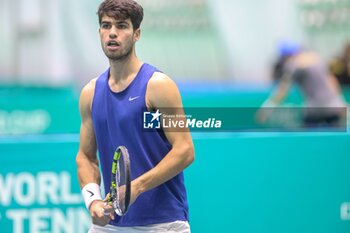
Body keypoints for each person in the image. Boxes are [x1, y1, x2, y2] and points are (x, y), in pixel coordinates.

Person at [75, 0, 195, 232]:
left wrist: (135, 188)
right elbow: (86, 156)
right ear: (99, 31)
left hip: (163, 222)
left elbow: (185, 150)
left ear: (136, 33)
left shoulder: (158, 86)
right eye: (106, 25)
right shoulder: (90, 93)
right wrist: (93, 200)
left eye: (121, 26)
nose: (112, 33)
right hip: (110, 225)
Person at [258, 41, 347, 128]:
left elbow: (283, 90)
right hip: (334, 107)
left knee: (307, 140)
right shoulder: (316, 59)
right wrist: (341, 102)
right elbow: (332, 81)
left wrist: (267, 108)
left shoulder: (293, 65)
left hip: (315, 109)